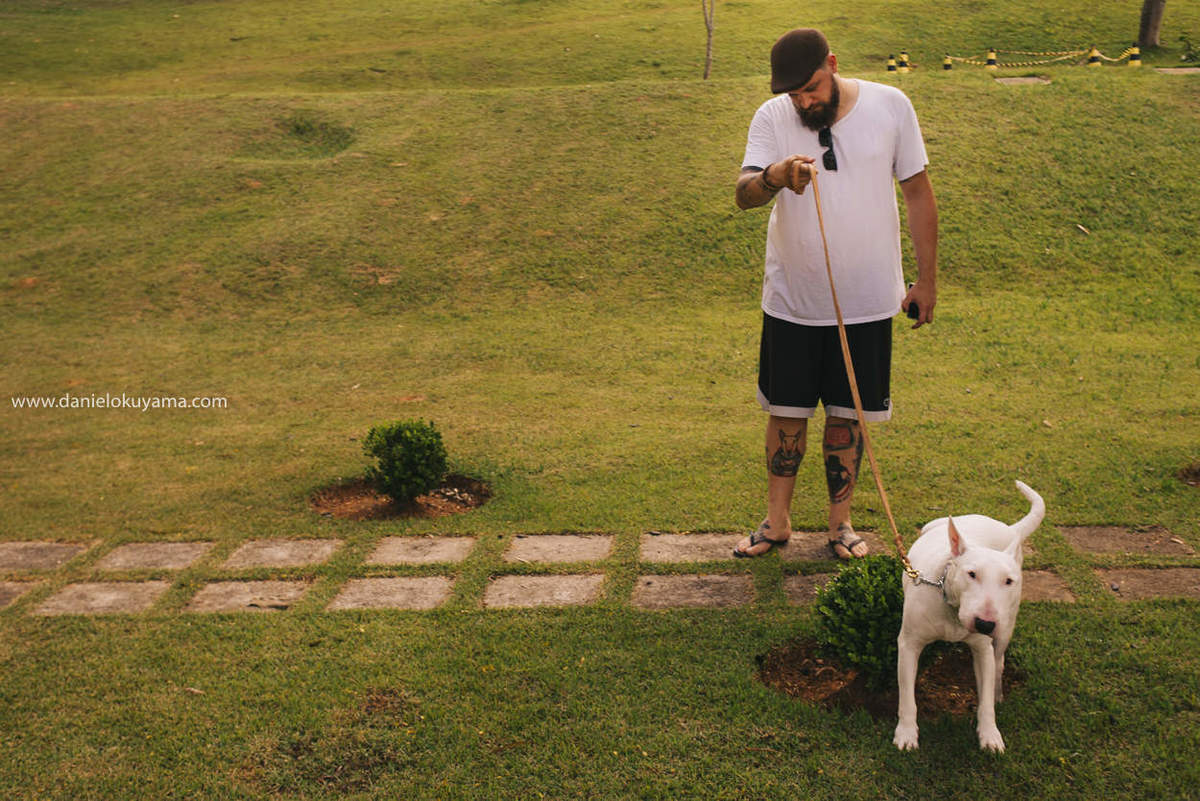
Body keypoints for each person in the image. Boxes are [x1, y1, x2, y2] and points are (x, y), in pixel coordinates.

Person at [731, 28, 938, 560]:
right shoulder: (771, 116)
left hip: (867, 299)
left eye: (812, 88)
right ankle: (776, 523)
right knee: (786, 413)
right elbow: (743, 194)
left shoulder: (891, 105)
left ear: (833, 64)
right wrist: (775, 176)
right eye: (794, 93)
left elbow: (918, 193)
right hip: (793, 299)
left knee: (848, 416)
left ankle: (840, 525)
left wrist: (926, 279)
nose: (804, 102)